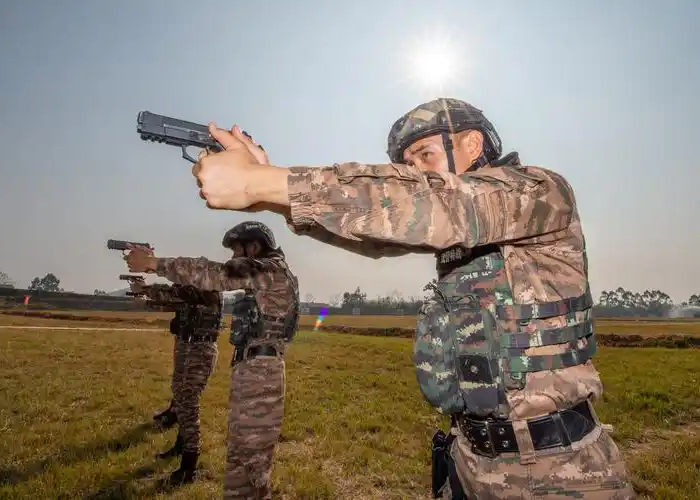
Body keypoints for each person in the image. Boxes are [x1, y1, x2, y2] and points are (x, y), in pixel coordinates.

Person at [188, 98, 636, 499]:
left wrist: (266, 183)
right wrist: (272, 195)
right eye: (407, 162)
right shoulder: (454, 223)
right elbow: (380, 233)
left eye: (425, 154)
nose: (416, 170)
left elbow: (430, 203)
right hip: (471, 460)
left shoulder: (536, 191)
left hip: (560, 471)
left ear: (472, 143)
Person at [124, 221, 299, 500]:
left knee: (250, 469)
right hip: (256, 370)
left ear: (253, 247)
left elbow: (213, 273)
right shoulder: (270, 273)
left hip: (260, 372)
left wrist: (153, 263)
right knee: (244, 467)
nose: (232, 259)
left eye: (236, 251)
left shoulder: (268, 270)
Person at [126, 279, 222, 486]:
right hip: (188, 347)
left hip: (200, 351)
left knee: (188, 404)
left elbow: (174, 295)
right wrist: (144, 297)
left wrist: (145, 289)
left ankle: (189, 466)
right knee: (180, 398)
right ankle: (181, 446)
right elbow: (170, 302)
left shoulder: (207, 288)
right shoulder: (192, 292)